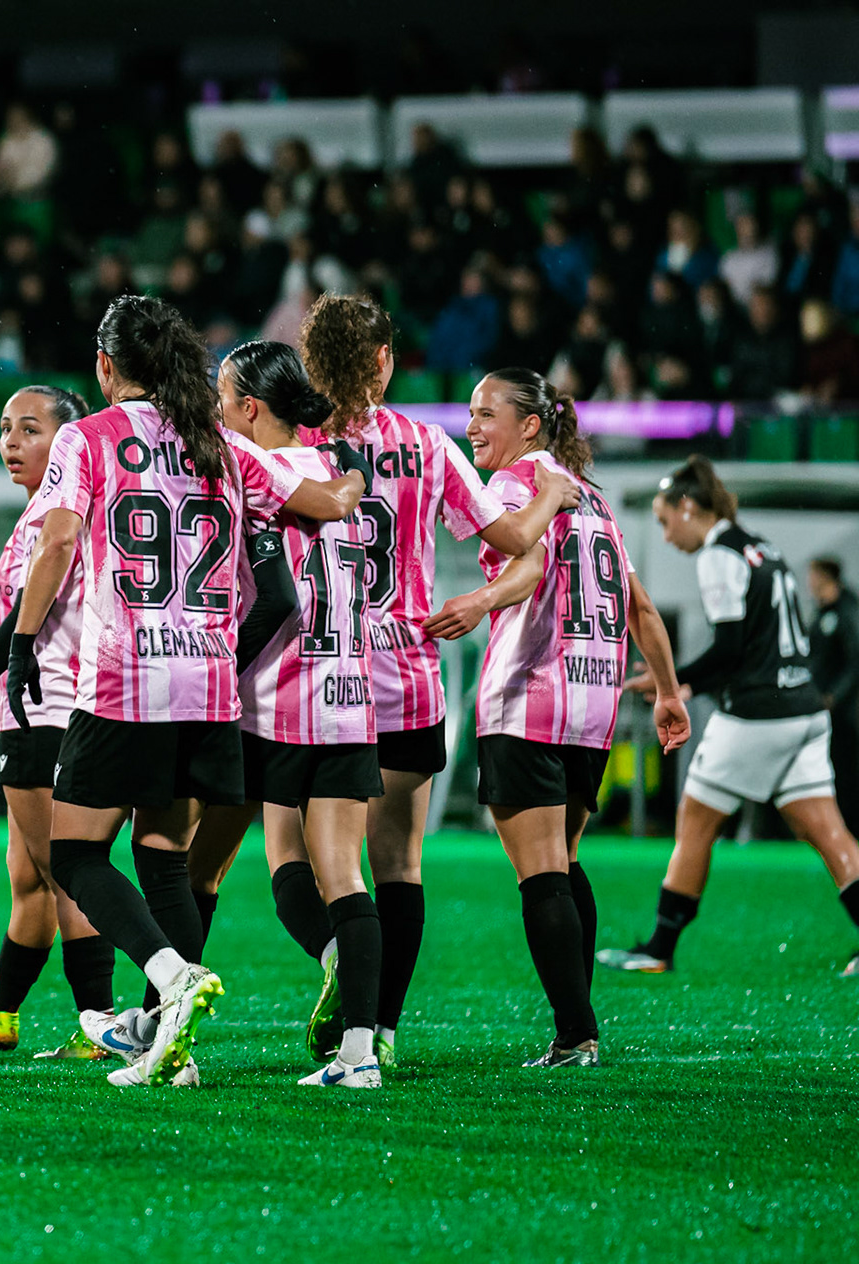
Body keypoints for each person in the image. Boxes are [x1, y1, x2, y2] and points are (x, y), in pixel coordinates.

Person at [8, 295, 370, 1089]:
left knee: (73, 853)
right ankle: (176, 1050)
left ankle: (172, 980)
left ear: (106, 366)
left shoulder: (88, 436)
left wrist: (25, 639)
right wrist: (351, 471)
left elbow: (60, 538)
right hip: (210, 685)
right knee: (165, 855)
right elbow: (327, 504)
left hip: (128, 677)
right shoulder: (219, 445)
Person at [295, 294, 580, 1065]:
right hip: (408, 672)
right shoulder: (426, 445)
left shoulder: (288, 443)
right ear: (385, 361)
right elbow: (515, 536)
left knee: (295, 860)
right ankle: (379, 1031)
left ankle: (336, 967)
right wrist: (552, 487)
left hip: (314, 672)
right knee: (399, 862)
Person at [428, 369, 689, 1067]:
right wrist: (667, 691)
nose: (473, 427)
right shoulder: (596, 499)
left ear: (531, 426)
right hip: (593, 704)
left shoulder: (519, 489)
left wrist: (481, 602)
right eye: (471, 412)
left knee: (540, 872)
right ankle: (579, 1028)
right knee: (565, 862)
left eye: (487, 414)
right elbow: (642, 608)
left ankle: (576, 1034)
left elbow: (530, 563)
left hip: (527, 696)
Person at [184, 340, 384, 1088]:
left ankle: (166, 1030)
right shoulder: (333, 469)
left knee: (197, 866)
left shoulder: (250, 465)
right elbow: (340, 502)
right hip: (348, 695)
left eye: (222, 392)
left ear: (248, 408)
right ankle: (360, 1054)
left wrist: (217, 665)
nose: (213, 404)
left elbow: (276, 595)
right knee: (343, 875)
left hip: (274, 702)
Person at [596, 457, 859, 979]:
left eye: (666, 520)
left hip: (758, 717)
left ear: (688, 507)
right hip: (804, 710)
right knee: (829, 833)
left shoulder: (719, 555)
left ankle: (659, 947)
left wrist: (674, 679)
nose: (667, 535)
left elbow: (731, 649)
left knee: (694, 824)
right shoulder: (763, 547)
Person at [0, 385, 119, 1060]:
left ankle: (99, 1024)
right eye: (5, 427)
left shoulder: (58, 517)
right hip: (37, 708)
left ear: (66, 441)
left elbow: (20, 622)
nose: (11, 441)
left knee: (65, 869)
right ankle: (3, 1012)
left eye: (30, 429)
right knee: (28, 874)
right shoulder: (43, 514)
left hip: (47, 707)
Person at [807, 558, 859, 834]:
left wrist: (834, 697)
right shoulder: (821, 613)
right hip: (824, 710)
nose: (809, 582)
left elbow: (856, 661)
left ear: (825, 575)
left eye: (812, 574)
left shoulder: (848, 611)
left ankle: (849, 830)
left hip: (846, 714)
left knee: (846, 772)